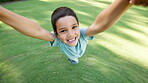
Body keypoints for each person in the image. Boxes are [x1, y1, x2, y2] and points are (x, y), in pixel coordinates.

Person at [0, 0, 146, 64]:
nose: (70, 34)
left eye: (74, 27)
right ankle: (73, 59)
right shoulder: (56, 38)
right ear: (56, 33)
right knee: (74, 59)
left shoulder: (81, 33)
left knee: (78, 54)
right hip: (70, 53)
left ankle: (75, 58)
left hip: (80, 50)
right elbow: (36, 30)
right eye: (63, 30)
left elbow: (99, 25)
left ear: (78, 26)